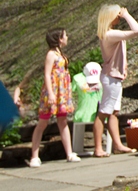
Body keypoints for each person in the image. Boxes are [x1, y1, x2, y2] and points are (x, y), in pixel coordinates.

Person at [95, 5, 138, 157]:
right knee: (103, 113)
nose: (119, 17)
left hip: (115, 77)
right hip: (111, 77)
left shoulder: (112, 34)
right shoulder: (110, 34)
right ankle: (98, 148)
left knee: (113, 112)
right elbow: (137, 30)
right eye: (117, 15)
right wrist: (127, 15)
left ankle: (118, 145)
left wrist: (125, 66)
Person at [28, 29, 78, 166]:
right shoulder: (51, 54)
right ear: (59, 39)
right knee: (43, 122)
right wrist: (50, 93)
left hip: (61, 92)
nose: (67, 37)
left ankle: (69, 153)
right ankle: (34, 156)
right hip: (53, 91)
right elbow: (47, 74)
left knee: (62, 121)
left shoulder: (60, 54)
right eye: (65, 35)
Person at [70, 62, 102, 127]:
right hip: (81, 116)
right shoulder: (77, 78)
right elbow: (70, 92)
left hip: (101, 115)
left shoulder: (104, 78)